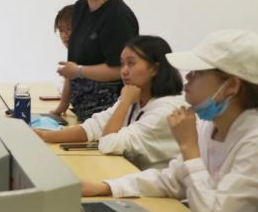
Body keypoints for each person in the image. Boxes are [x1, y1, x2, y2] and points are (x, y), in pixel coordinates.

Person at [82, 30, 258, 212]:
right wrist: (105, 187)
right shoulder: (210, 126)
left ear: (231, 85)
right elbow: (170, 180)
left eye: (198, 73)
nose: (188, 79)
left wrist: (189, 148)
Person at [37, 35, 185, 169]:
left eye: (131, 63)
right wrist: (45, 136)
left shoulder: (165, 111)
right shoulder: (136, 97)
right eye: (122, 64)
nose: (124, 71)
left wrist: (125, 102)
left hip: (160, 188)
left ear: (154, 69)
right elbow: (95, 126)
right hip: (135, 176)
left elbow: (109, 144)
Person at [51, 0, 139, 121]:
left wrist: (80, 71)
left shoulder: (118, 15)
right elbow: (71, 66)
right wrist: (62, 106)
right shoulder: (80, 8)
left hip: (110, 112)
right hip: (82, 110)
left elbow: (121, 69)